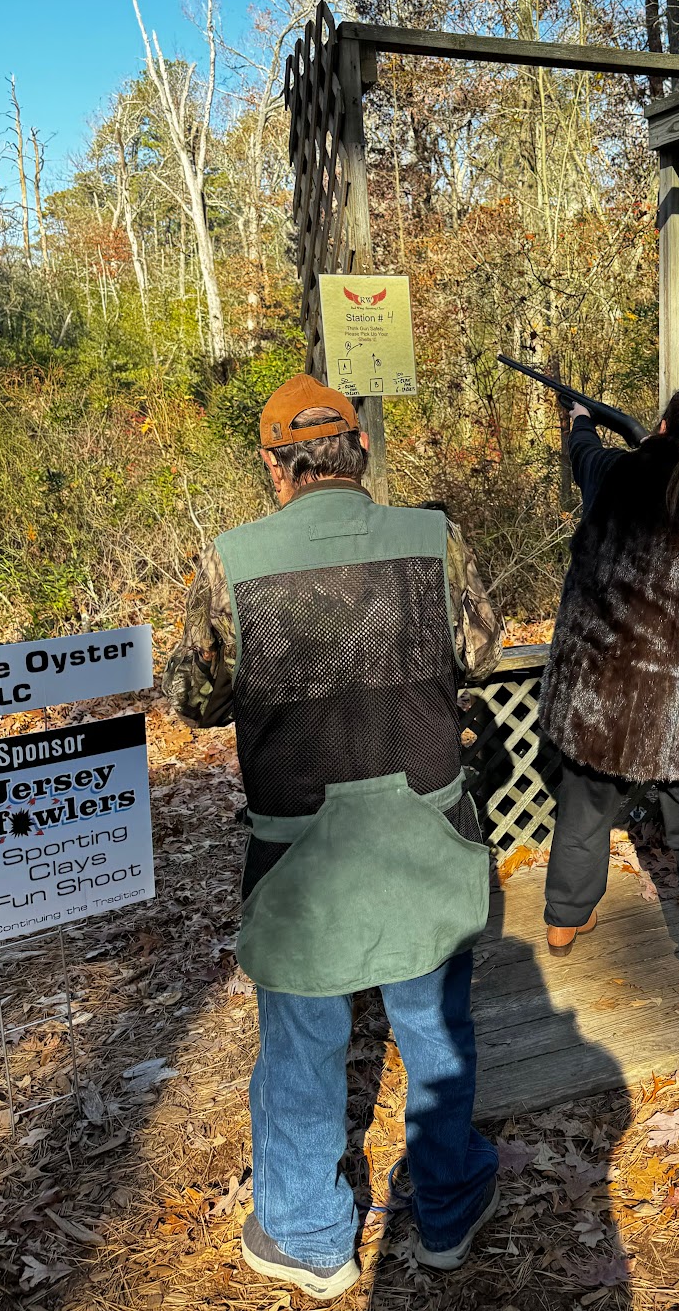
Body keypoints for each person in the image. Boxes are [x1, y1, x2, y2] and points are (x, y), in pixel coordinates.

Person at [163, 374, 503, 1301]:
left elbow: (195, 702)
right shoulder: (433, 539)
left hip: (297, 855)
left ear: (276, 468)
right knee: (434, 1031)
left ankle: (312, 1237)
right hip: (424, 836)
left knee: (303, 1043)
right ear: (357, 452)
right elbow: (480, 649)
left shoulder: (230, 563)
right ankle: (443, 1210)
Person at [538, 385, 679, 1010]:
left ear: (663, 427)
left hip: (602, 693)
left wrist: (582, 422)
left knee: (585, 800)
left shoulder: (616, 475)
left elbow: (585, 452)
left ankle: (564, 918)